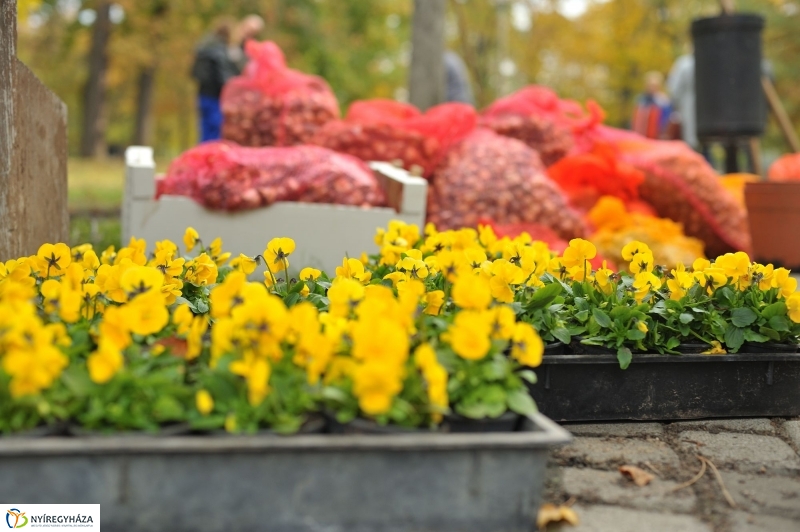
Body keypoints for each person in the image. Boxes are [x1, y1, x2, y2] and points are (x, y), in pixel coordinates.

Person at [191, 20, 239, 143]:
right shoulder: (221, 52)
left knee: (204, 130)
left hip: (202, 94)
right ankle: (211, 154)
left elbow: (193, 73)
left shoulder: (204, 48)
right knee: (215, 130)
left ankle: (202, 152)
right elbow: (223, 77)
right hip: (216, 97)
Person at [631, 72, 672, 139]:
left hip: (657, 134)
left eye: (654, 86)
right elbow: (635, 119)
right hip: (642, 133)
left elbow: (667, 119)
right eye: (649, 85)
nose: (651, 88)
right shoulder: (640, 99)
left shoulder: (663, 101)